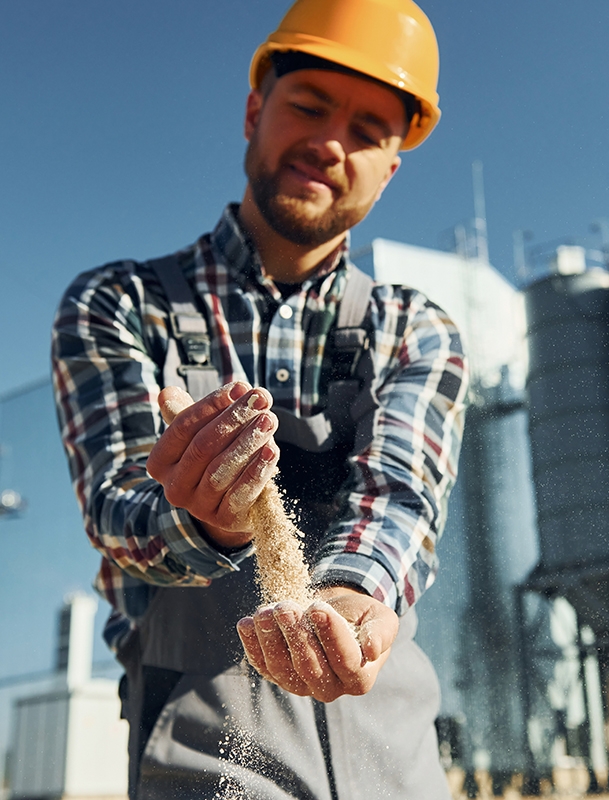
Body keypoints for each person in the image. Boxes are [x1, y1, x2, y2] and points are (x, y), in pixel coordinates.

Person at [51, 0, 468, 797]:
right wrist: (207, 518)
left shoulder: (418, 331)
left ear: (391, 166)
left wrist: (349, 598)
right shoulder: (120, 306)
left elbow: (401, 499)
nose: (330, 141)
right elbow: (118, 512)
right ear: (254, 110)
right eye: (308, 105)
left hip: (393, 747)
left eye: (370, 130)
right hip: (202, 742)